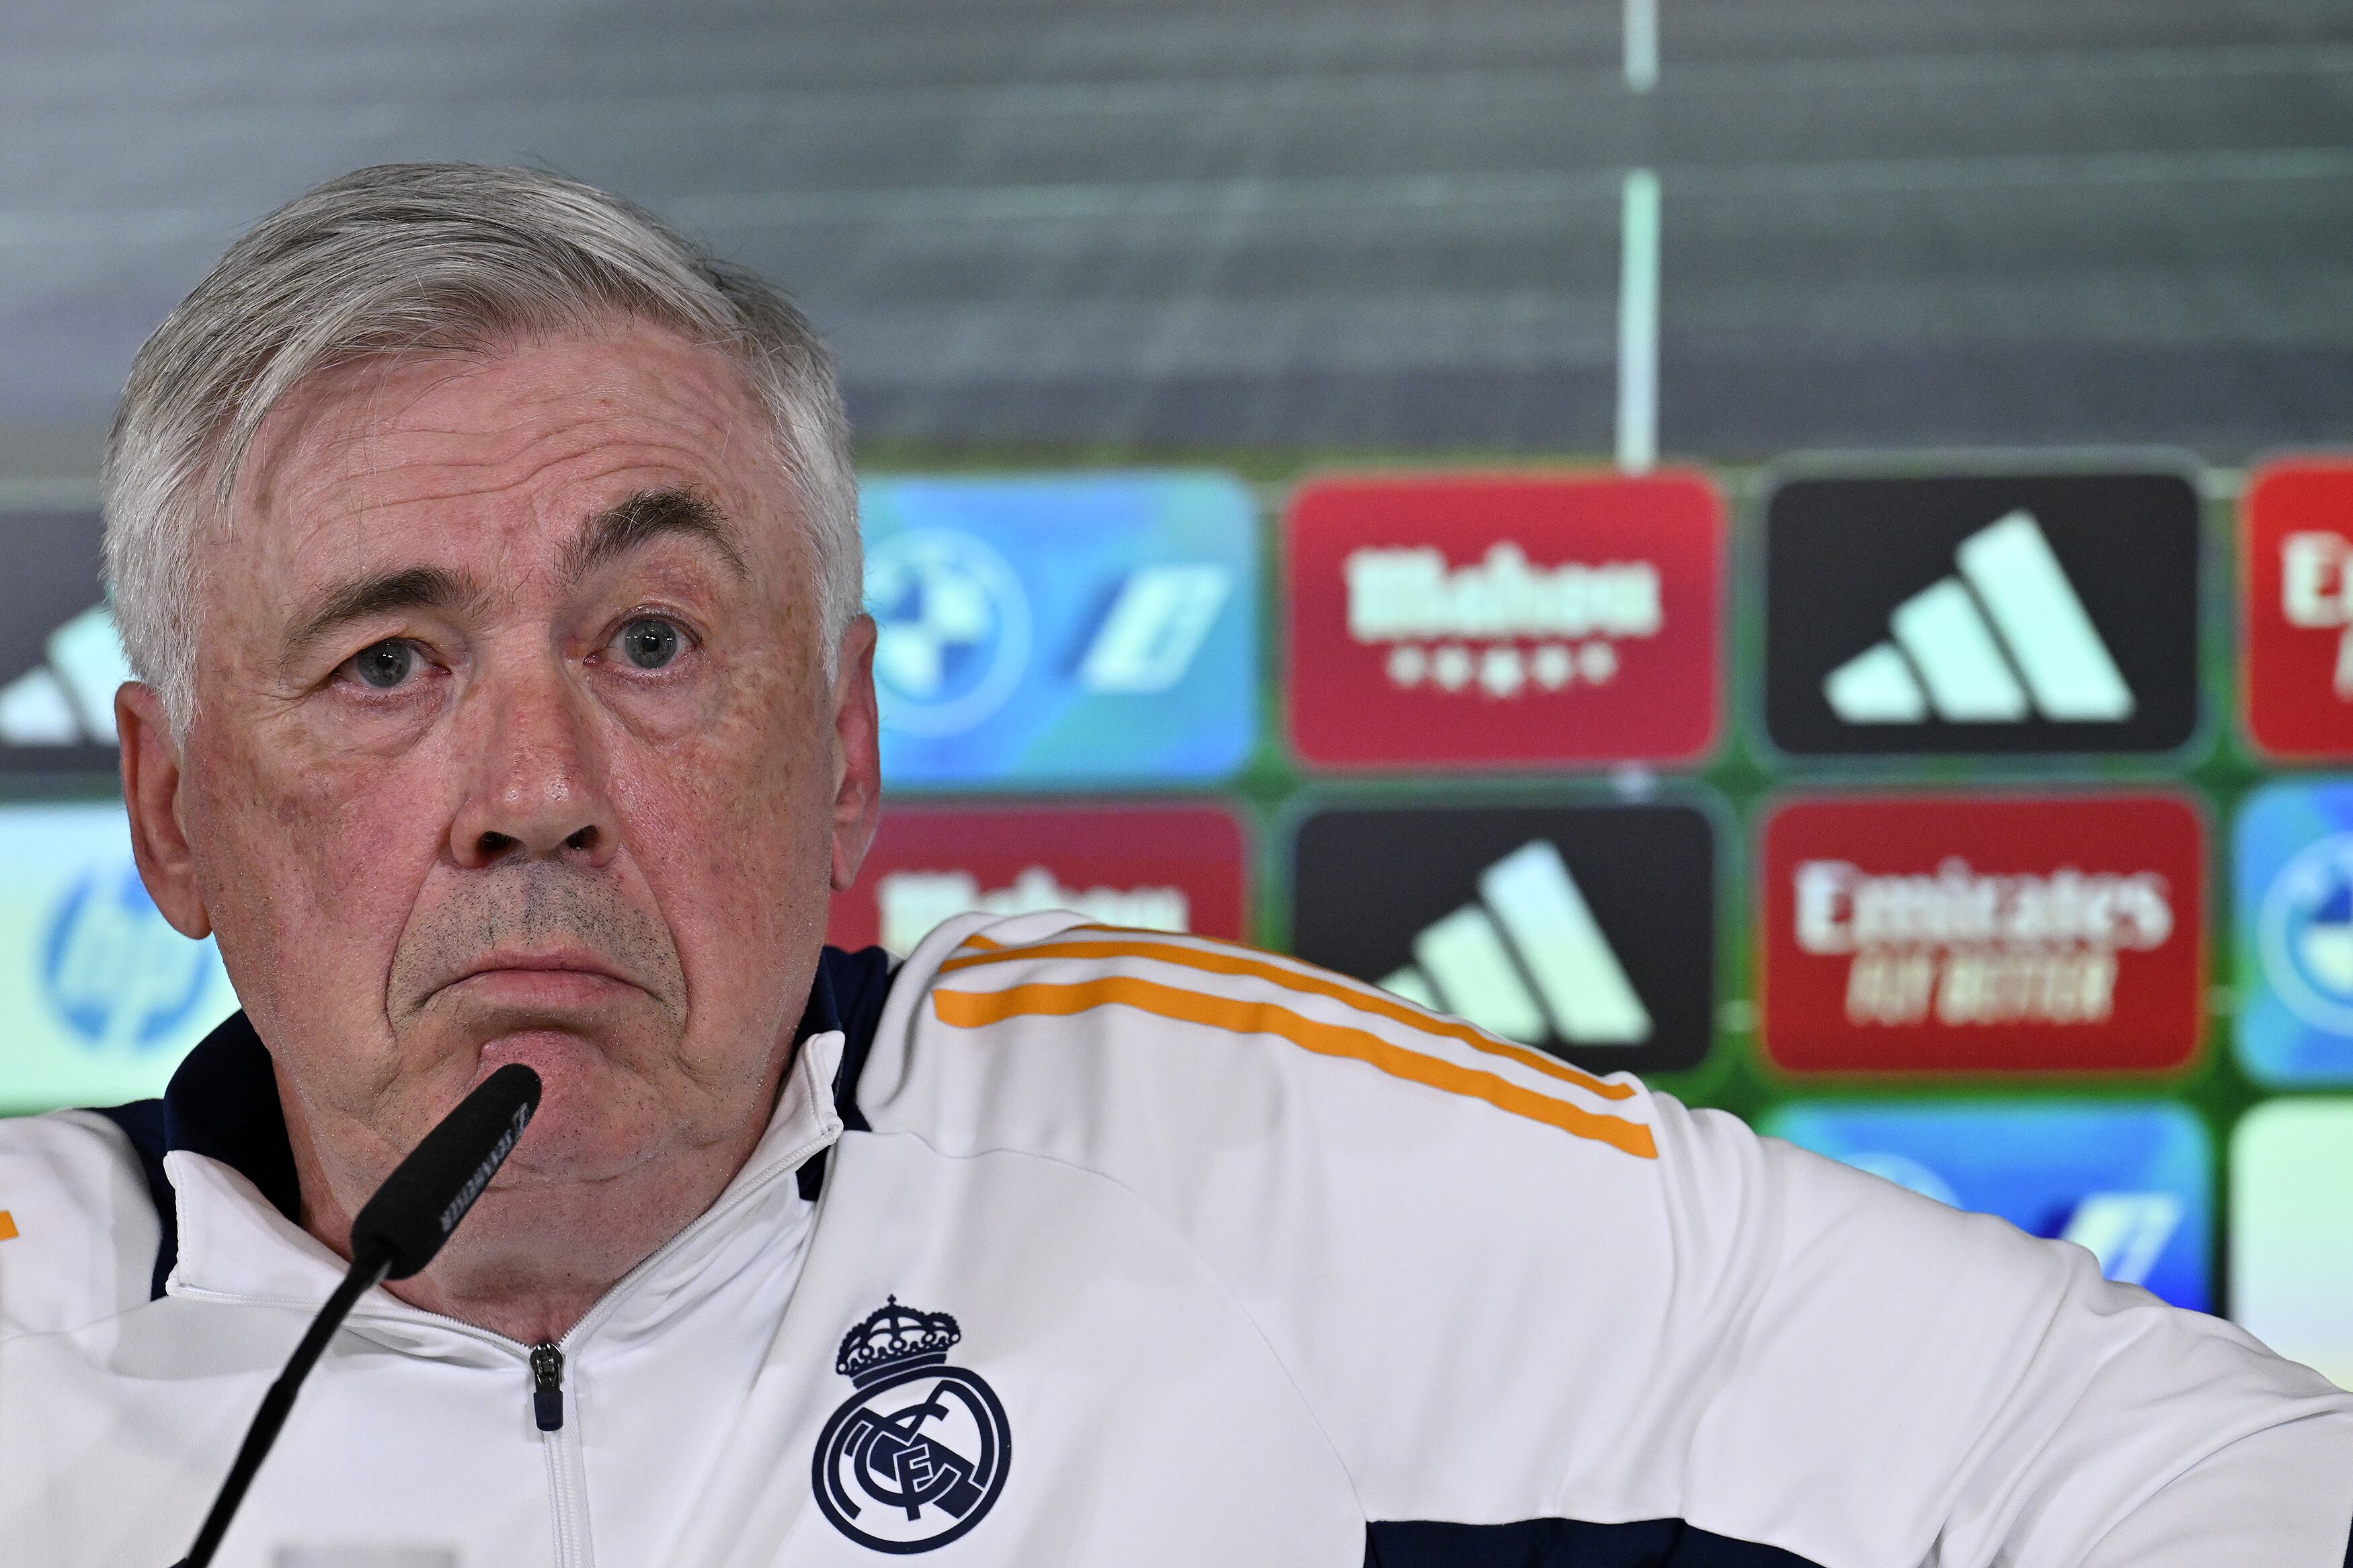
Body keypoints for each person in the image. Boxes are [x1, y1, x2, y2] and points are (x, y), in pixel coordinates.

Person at [0, 163, 2346, 1568]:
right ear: (178, 815)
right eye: (387, 664)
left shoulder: (1207, 1151)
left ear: (840, 761)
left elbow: (2204, 1468)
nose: (537, 787)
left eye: (647, 636)